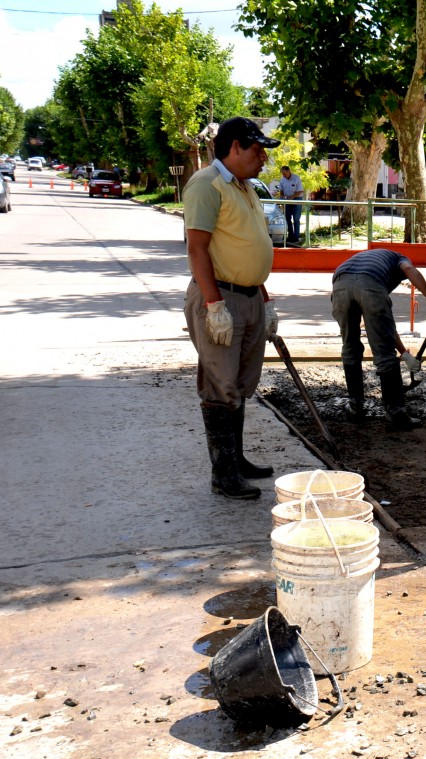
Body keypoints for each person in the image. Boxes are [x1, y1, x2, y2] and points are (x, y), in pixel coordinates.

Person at [183, 117, 281, 500]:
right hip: (221, 298)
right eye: (258, 150)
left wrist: (266, 303)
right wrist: (213, 305)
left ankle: (236, 460)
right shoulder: (207, 184)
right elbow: (197, 248)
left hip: (251, 297)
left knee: (241, 385)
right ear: (235, 146)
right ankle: (223, 474)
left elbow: (250, 248)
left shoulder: (245, 187)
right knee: (220, 387)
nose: (263, 160)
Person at [331, 248, 426, 431]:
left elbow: (384, 328)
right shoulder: (400, 258)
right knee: (384, 354)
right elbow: (410, 271)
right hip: (368, 284)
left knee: (350, 347)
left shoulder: (368, 259)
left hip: (340, 285)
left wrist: (404, 354)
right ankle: (396, 413)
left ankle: (355, 407)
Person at [276, 165, 304, 246]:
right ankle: (290, 235)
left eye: (285, 174)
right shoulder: (282, 180)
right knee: (287, 218)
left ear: (289, 172)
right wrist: (281, 196)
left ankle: (296, 236)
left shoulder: (296, 178)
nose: (284, 175)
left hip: (297, 199)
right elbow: (281, 190)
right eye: (282, 174)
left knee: (296, 218)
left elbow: (300, 191)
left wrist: (291, 197)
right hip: (287, 199)